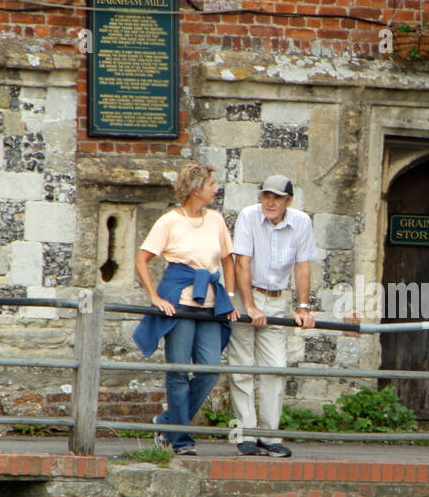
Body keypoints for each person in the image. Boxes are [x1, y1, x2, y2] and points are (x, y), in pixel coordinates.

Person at [133, 162, 240, 455]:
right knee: (179, 371)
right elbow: (142, 259)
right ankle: (181, 441)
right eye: (211, 185)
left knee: (209, 371)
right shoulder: (169, 221)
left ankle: (166, 423)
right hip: (179, 305)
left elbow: (228, 260)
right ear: (196, 189)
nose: (215, 189)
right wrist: (155, 296)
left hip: (209, 306)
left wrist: (228, 297)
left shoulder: (216, 220)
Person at [227, 174, 317, 457]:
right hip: (245, 294)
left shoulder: (301, 222)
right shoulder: (248, 216)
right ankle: (245, 435)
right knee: (241, 365)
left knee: (275, 368)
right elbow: (242, 262)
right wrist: (250, 306)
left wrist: (303, 307)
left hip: (277, 299)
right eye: (266, 195)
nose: (270, 202)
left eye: (277, 197)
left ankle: (269, 436)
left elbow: (302, 266)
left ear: (288, 201)